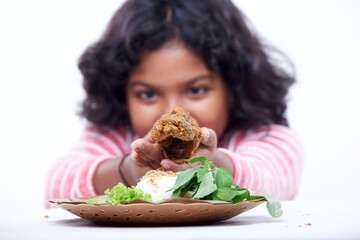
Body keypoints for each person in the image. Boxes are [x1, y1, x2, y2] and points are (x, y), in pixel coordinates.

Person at [45, 0, 302, 206]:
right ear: (120, 92)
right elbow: (58, 183)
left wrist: (215, 164)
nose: (171, 112)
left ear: (234, 86)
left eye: (197, 89)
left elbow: (272, 179)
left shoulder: (263, 137)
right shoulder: (116, 137)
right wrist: (128, 172)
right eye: (147, 94)